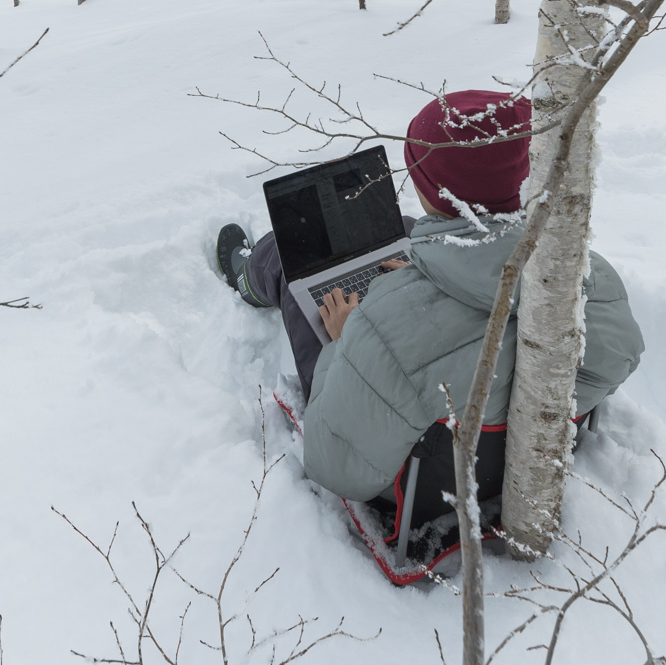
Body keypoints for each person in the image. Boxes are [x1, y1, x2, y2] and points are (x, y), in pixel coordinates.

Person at [214, 89, 644, 506]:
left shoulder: (380, 332)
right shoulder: (587, 277)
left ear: (432, 190)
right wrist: (429, 281)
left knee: (294, 271)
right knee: (404, 227)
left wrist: (349, 341)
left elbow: (334, 465)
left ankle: (253, 277)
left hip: (417, 488)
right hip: (497, 452)